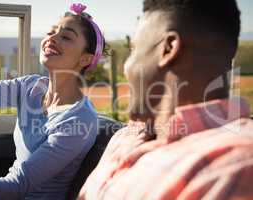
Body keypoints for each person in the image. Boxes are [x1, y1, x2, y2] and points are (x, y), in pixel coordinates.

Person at [79, 0, 253, 199]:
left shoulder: (233, 165)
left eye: (134, 51)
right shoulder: (125, 135)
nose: (126, 68)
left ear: (168, 48)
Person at [0, 3, 107, 200]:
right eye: (51, 32)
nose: (52, 38)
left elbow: (17, 186)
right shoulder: (30, 87)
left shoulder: (80, 119)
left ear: (85, 59)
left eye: (66, 37)